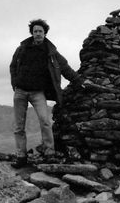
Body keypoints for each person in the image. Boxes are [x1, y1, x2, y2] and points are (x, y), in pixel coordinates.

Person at [9, 19, 81, 168]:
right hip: (20, 91)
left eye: (40, 31)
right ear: (32, 33)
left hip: (38, 93)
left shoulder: (51, 52)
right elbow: (12, 66)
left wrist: (79, 81)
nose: (37, 34)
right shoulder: (22, 48)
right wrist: (15, 83)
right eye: (35, 31)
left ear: (45, 33)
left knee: (45, 121)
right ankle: (21, 157)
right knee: (18, 126)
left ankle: (49, 153)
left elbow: (65, 67)